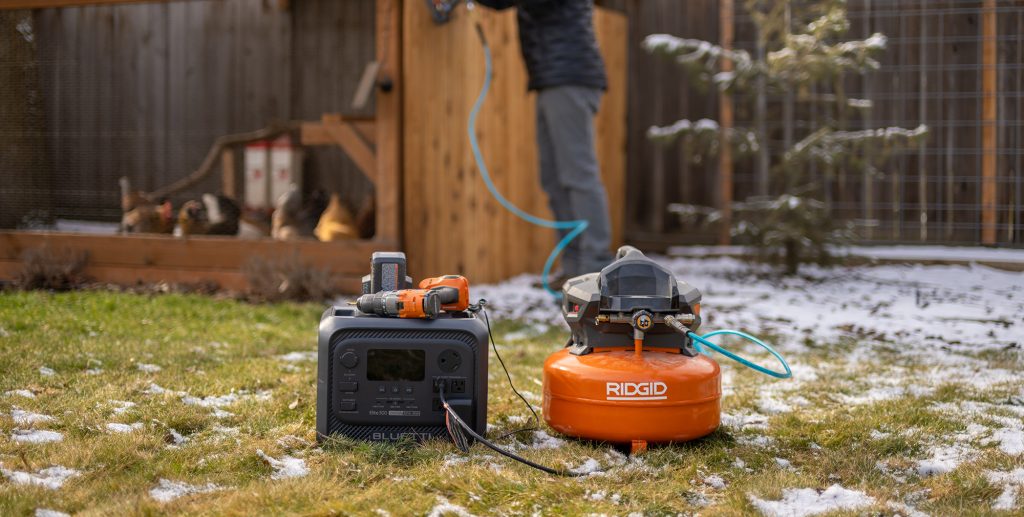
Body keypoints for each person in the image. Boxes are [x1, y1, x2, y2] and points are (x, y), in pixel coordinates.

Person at [475, 0, 613, 280]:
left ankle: (596, 265)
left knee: (578, 175)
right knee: (553, 179)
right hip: (551, 79)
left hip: (569, 78)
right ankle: (575, 268)